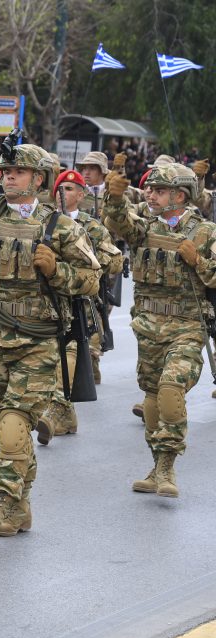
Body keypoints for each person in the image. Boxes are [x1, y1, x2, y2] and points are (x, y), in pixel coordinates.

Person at [0, 102, 99, 548]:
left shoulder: (60, 227)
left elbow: (92, 279)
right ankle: (21, 505)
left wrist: (57, 272)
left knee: (14, 423)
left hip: (38, 341)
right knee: (9, 425)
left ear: (39, 180)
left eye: (18, 172)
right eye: (6, 171)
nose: (8, 177)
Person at [103, 164, 216, 497]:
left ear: (180, 195)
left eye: (159, 190)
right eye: (149, 190)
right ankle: (156, 466)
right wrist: (115, 197)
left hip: (187, 328)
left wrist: (198, 261)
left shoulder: (205, 232)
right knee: (152, 399)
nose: (150, 195)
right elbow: (119, 222)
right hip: (148, 328)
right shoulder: (145, 227)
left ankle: (168, 466)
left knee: (170, 389)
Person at [36, 170, 122, 445]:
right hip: (50, 303)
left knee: (69, 355)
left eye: (70, 189)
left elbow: (116, 261)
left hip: (80, 303)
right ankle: (68, 416)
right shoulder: (43, 221)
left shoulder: (91, 226)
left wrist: (89, 258)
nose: (63, 193)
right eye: (60, 188)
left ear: (82, 195)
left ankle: (55, 411)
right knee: (50, 360)